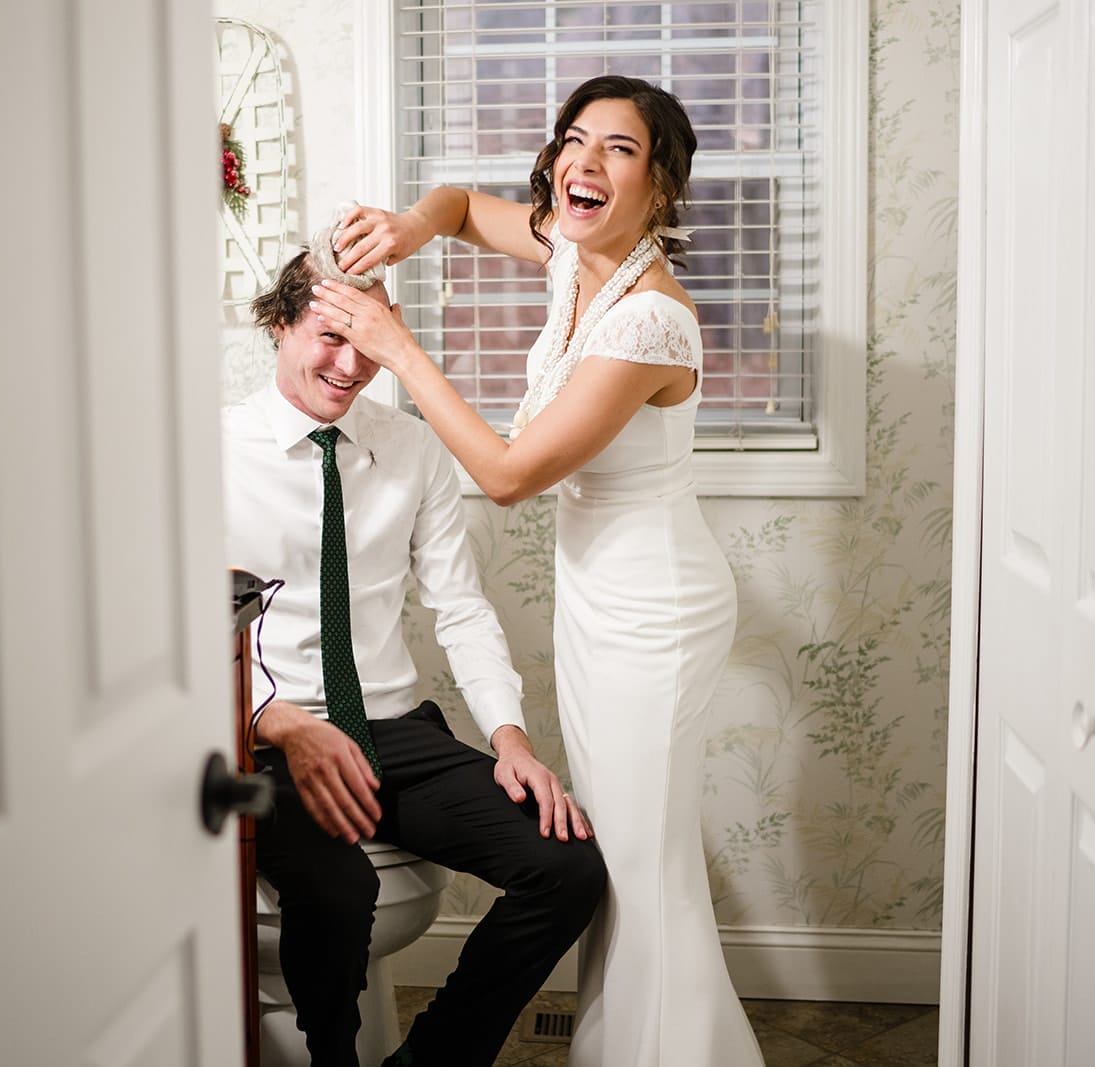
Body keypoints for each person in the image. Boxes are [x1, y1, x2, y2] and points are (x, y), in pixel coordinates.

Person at [307, 75, 766, 1067]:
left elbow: (508, 475)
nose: (583, 163)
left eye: (618, 149)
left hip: (656, 608)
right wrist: (407, 226)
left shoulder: (650, 320)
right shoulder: (573, 251)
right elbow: (464, 207)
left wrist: (400, 346)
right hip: (595, 597)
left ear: (662, 187)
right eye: (573, 140)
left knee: (645, 870)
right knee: (621, 860)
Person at [223, 242, 607, 1067]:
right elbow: (181, 625)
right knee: (342, 889)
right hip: (271, 736)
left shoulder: (412, 448)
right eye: (329, 335)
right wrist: (278, 721)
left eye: (367, 339)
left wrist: (511, 738)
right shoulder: (208, 455)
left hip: (393, 727)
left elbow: (461, 607)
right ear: (281, 326)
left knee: (567, 867)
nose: (350, 362)